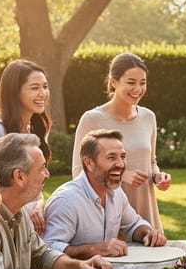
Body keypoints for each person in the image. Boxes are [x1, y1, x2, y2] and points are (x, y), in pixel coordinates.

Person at [0, 133, 114, 269]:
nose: (48, 174)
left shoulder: (19, 213)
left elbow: (42, 256)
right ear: (19, 177)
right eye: (42, 168)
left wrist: (79, 265)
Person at [72, 52, 171, 237]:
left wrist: (158, 176)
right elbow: (78, 172)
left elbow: (151, 162)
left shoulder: (148, 117)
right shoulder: (92, 119)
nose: (138, 89)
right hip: (108, 214)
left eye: (143, 83)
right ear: (113, 82)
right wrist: (122, 175)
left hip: (146, 210)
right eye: (131, 82)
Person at [44, 129, 167, 259]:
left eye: (123, 157)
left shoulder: (116, 192)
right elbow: (49, 248)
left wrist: (147, 233)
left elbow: (133, 225)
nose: (121, 164)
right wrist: (96, 249)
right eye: (111, 157)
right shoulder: (66, 200)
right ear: (88, 163)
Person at [0, 59, 52, 235]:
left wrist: (37, 206)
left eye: (45, 87)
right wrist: (24, 211)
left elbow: (36, 179)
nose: (43, 94)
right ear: (15, 92)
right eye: (35, 88)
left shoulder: (35, 129)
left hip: (25, 221)